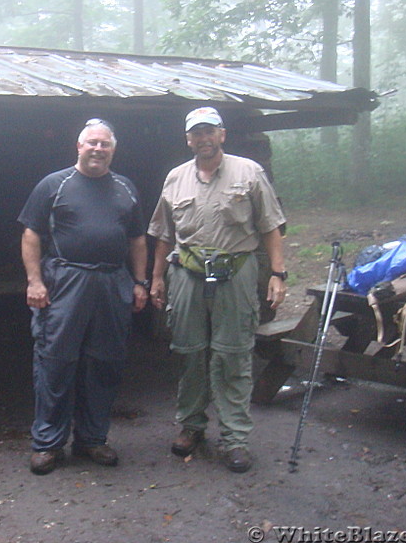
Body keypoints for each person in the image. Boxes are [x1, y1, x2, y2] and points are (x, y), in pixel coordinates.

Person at [147, 107, 287, 473]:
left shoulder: (249, 172)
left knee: (234, 354)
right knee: (189, 352)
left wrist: (278, 274)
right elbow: (163, 234)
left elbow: (271, 227)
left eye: (209, 132)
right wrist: (157, 277)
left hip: (236, 271)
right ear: (188, 139)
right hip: (187, 274)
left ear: (222, 134)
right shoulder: (175, 178)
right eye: (196, 133)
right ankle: (191, 426)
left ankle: (235, 438)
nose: (203, 139)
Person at [18, 118, 149, 475]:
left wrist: (140, 282)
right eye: (91, 143)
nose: (97, 149)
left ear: (113, 150)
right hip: (65, 280)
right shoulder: (54, 185)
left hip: (111, 281)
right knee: (55, 360)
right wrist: (35, 281)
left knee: (104, 362)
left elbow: (137, 239)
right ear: (79, 147)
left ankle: (92, 439)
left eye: (104, 144)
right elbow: (31, 234)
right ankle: (48, 443)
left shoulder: (126, 188)